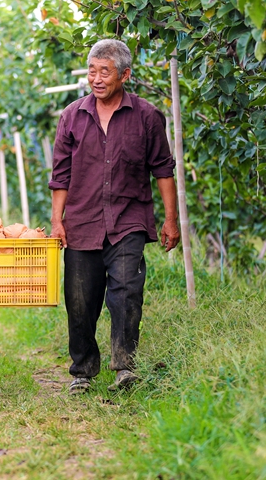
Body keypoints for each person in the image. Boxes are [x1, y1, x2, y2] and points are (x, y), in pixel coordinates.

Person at [49, 39, 180, 395]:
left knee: (126, 293)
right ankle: (83, 369)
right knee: (80, 300)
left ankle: (124, 365)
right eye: (91, 70)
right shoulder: (72, 116)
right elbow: (60, 175)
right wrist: (57, 220)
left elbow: (163, 171)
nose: (96, 78)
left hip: (128, 219)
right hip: (82, 221)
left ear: (125, 75)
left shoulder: (148, 117)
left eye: (104, 71)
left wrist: (171, 220)